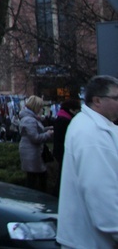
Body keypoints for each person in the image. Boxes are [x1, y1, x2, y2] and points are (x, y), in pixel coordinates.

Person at [57, 75, 118, 248]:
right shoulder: (91, 134)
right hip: (91, 242)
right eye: (116, 98)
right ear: (97, 100)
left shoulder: (96, 126)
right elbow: (101, 193)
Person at [18, 95, 53, 192]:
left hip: (32, 152)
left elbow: (35, 132)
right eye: (41, 107)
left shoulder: (30, 118)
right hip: (32, 153)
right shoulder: (29, 120)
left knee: (34, 176)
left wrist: (47, 129)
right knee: (35, 177)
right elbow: (35, 138)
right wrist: (48, 134)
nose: (42, 109)